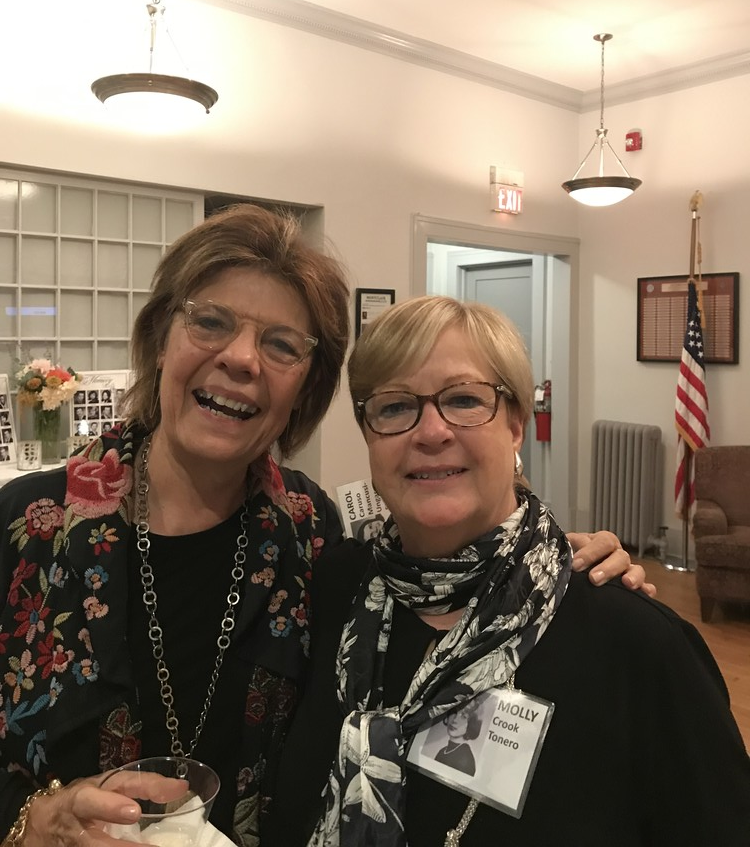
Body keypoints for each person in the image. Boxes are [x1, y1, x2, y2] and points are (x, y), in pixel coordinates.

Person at [0, 208, 649, 847]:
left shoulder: (310, 536)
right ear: (160, 339)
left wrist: (553, 560)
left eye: (281, 344)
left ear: (304, 388)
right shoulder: (25, 528)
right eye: (211, 321)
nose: (242, 358)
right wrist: (32, 819)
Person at [267, 295, 750, 847]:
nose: (431, 432)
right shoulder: (335, 588)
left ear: (516, 425)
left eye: (464, 399)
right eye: (395, 407)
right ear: (369, 433)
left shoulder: (636, 643)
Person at [432, 698, 486, 776]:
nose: (454, 720)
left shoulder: (465, 759)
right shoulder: (443, 751)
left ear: (471, 723)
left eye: (464, 716)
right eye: (454, 712)